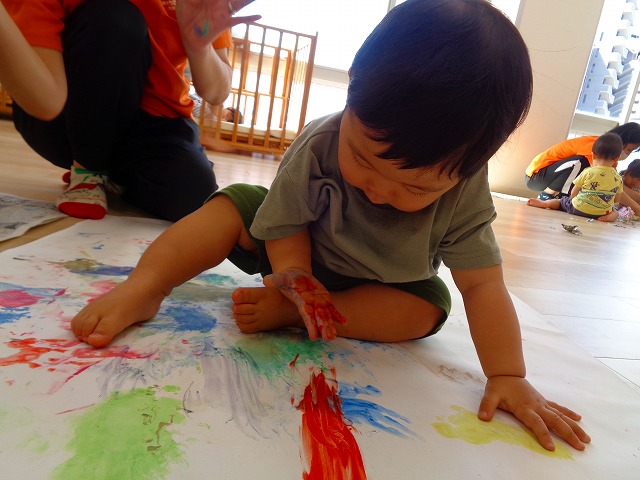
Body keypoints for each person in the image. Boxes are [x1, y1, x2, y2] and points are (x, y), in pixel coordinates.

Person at [70, 0, 590, 453]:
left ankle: (294, 316)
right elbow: (284, 220)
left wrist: (508, 374)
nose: (379, 190)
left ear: (472, 166)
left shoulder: (465, 192)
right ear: (351, 93)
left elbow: (483, 286)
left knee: (430, 305)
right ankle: (146, 286)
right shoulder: (321, 141)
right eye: (362, 159)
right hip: (295, 249)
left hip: (378, 283)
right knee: (231, 205)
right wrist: (294, 278)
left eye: (414, 189)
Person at [0, 0, 260, 221]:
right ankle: (89, 168)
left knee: (192, 193)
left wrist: (200, 46)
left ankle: (113, 175)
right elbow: (44, 99)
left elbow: (217, 92)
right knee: (117, 17)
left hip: (156, 122)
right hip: (74, 115)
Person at [525, 123, 640, 206]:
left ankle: (559, 198)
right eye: (629, 150)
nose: (627, 154)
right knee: (580, 162)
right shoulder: (596, 146)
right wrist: (636, 207)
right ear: (623, 141)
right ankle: (548, 196)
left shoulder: (610, 159)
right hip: (536, 177)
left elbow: (615, 185)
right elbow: (613, 185)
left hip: (549, 177)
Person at [527, 132, 624, 222]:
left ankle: (545, 203)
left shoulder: (588, 171)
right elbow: (616, 200)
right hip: (601, 213)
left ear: (593, 155)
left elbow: (574, 192)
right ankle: (607, 217)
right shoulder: (618, 178)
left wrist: (573, 199)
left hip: (578, 208)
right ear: (617, 158)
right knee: (615, 212)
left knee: (560, 202)